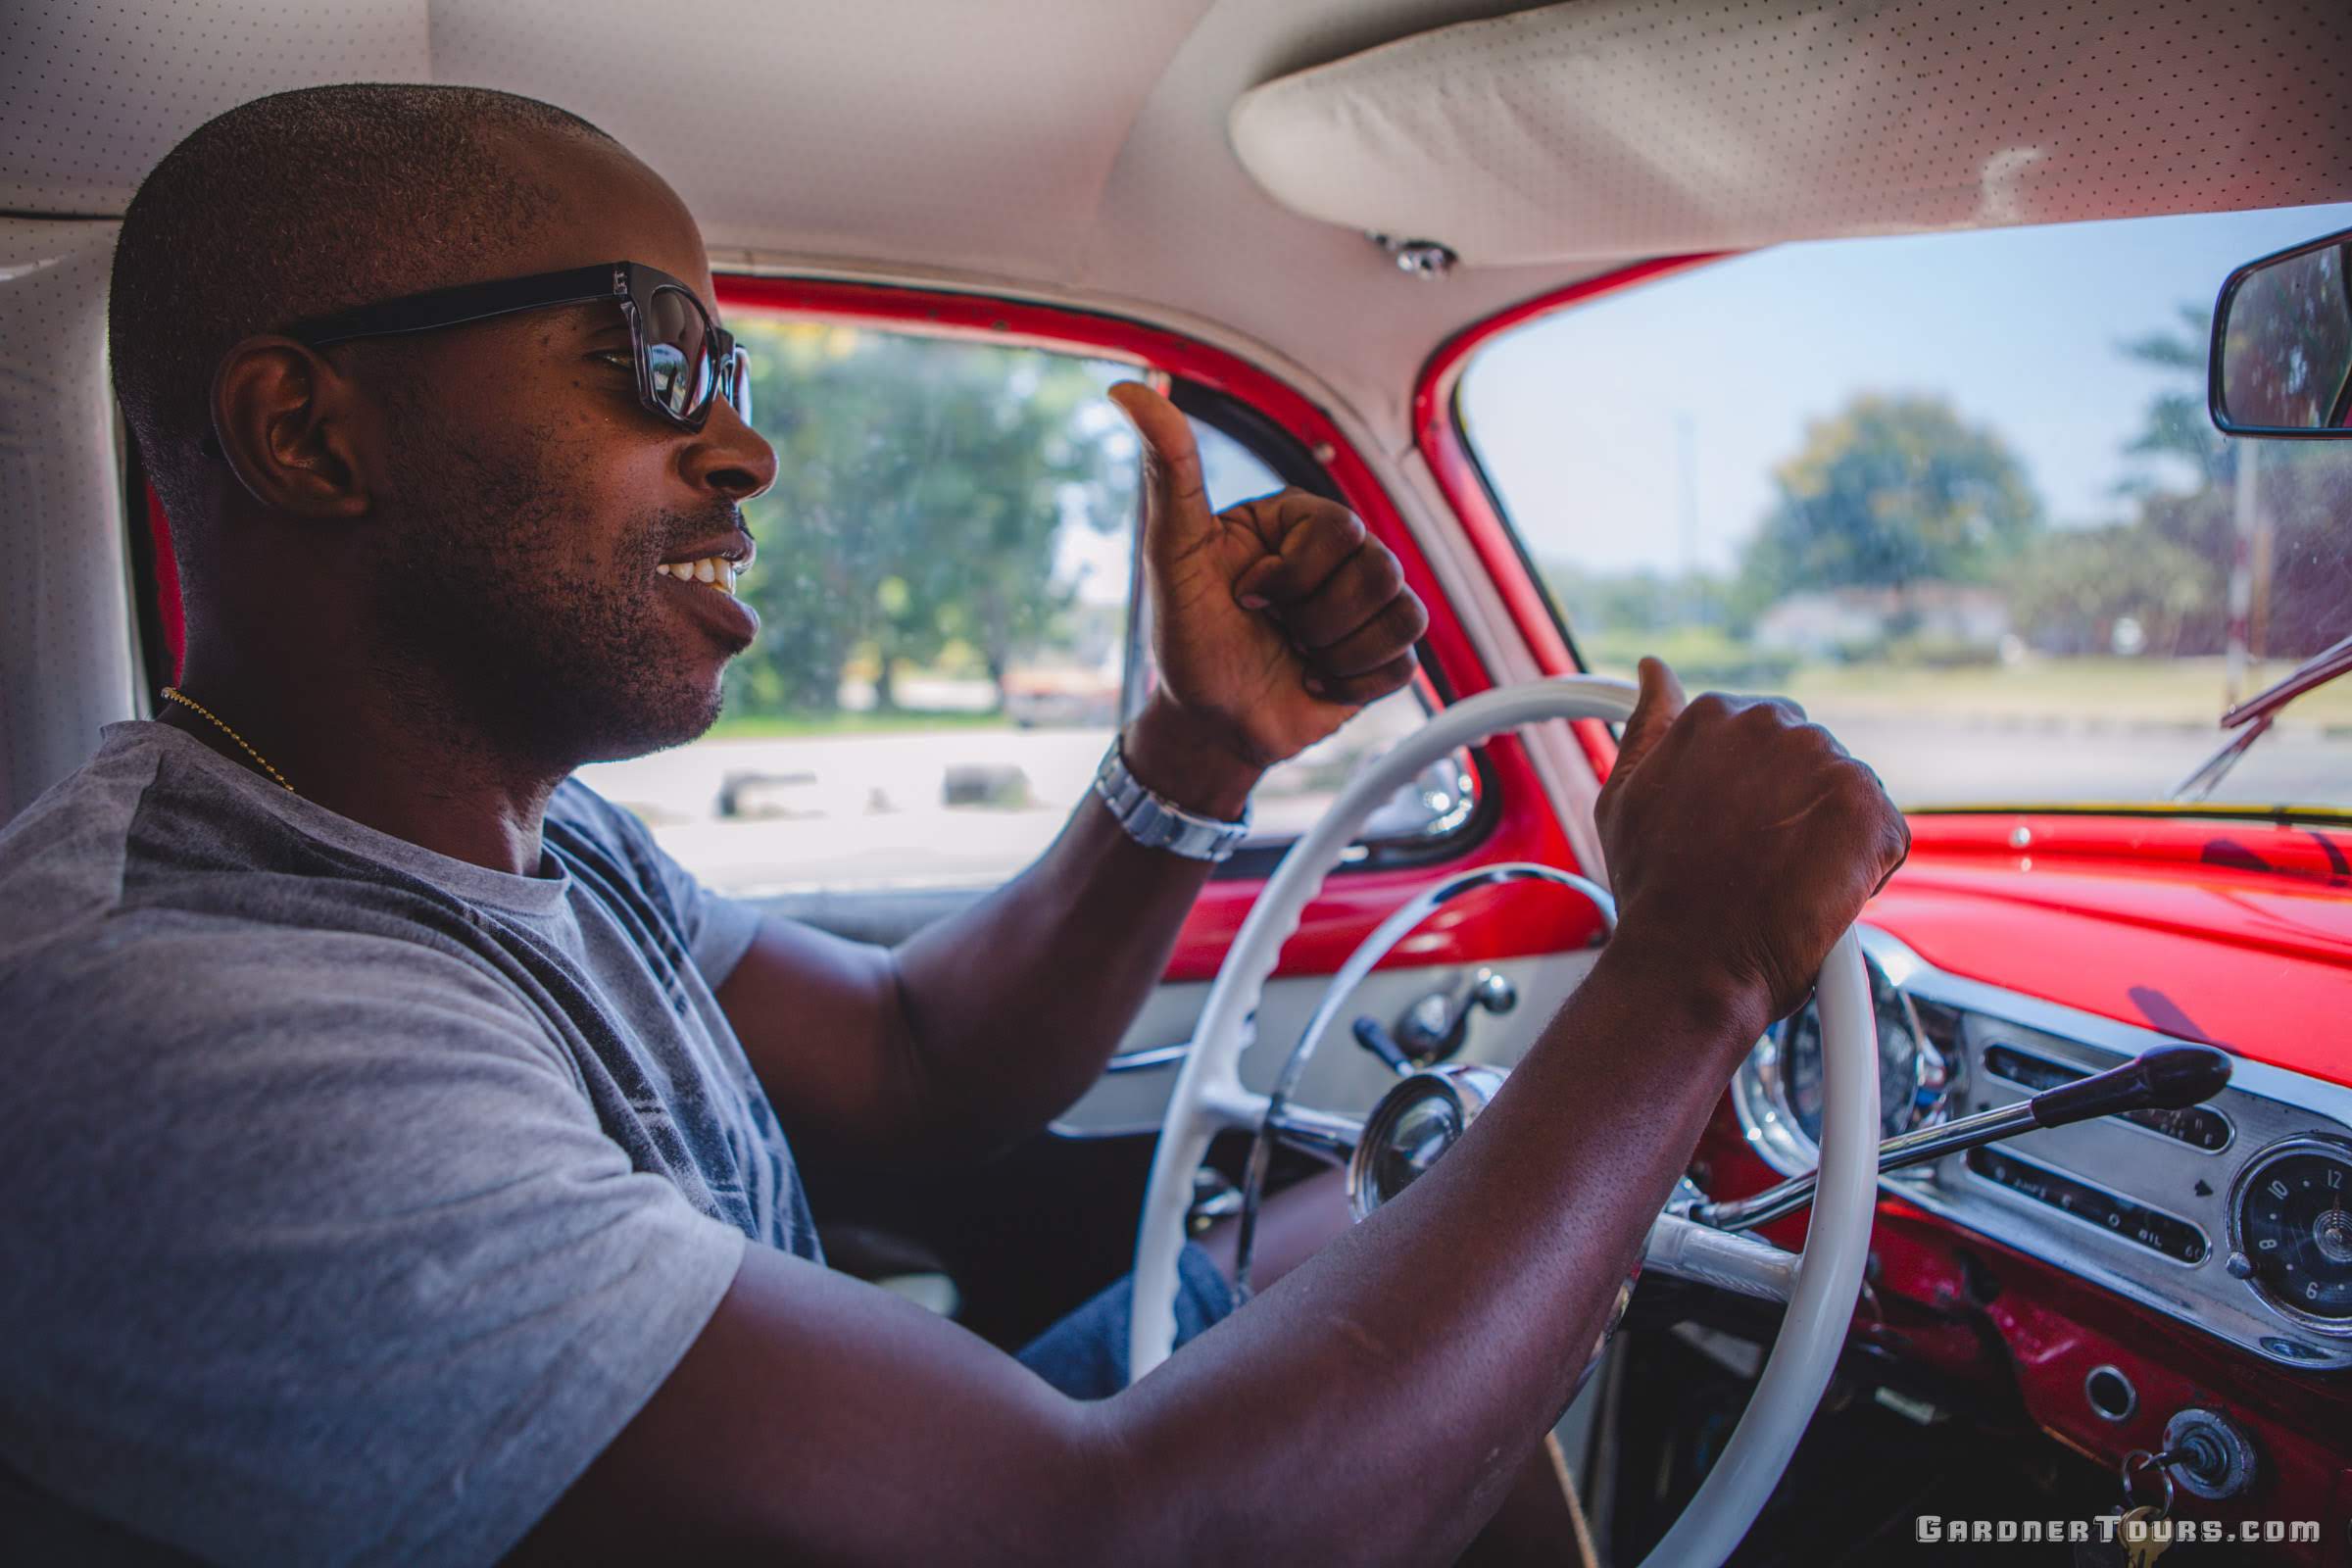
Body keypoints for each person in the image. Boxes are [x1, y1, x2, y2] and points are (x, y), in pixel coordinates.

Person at [0, 83, 1907, 1566]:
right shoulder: (177, 1015)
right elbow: (1125, 1536)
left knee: (1359, 1225)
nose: (744, 445)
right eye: (657, 358)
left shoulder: (533, 844)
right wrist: (1697, 963)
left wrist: (1197, 746)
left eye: (733, 382)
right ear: (306, 432)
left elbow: (926, 1062)